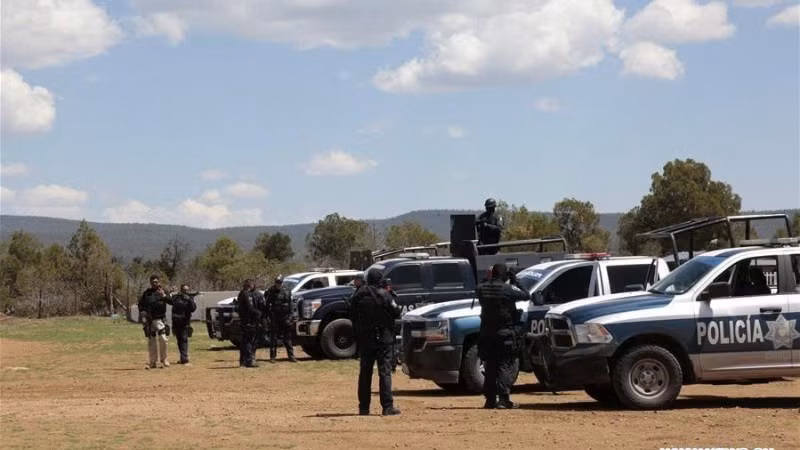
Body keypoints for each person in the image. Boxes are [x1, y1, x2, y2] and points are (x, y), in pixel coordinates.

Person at [476, 263, 530, 409]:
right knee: (504, 365)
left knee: (490, 367)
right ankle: (503, 399)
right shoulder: (507, 289)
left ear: (492, 273)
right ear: (505, 275)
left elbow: (478, 287)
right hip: (504, 333)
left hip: (486, 334)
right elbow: (526, 295)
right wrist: (516, 279)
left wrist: (486, 277)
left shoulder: (482, 288)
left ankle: (490, 400)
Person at [349, 268, 401, 416]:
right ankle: (387, 406)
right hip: (383, 338)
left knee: (365, 372)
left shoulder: (358, 295)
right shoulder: (384, 295)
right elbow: (396, 312)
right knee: (384, 372)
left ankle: (364, 407)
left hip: (365, 339)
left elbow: (352, 315)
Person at [138, 275, 172, 369]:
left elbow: (171, 301)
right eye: (152, 282)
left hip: (160, 319)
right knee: (152, 341)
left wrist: (164, 296)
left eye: (156, 282)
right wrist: (143, 313)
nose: (154, 283)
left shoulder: (163, 291)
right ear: (150, 282)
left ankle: (164, 359)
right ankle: (152, 362)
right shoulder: (146, 293)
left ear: (159, 282)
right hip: (150, 320)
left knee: (163, 338)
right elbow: (140, 305)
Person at [265, 275, 297, 363]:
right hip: (275, 317)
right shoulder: (271, 291)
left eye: (279, 282)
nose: (278, 284)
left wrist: (290, 318)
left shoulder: (287, 291)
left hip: (285, 317)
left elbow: (290, 306)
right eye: (277, 282)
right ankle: (272, 357)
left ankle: (291, 356)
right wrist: (268, 318)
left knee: (287, 338)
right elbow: (267, 306)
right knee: (273, 339)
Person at [170, 284, 199, 364]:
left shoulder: (189, 298)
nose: (186, 291)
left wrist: (189, 299)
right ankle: (182, 357)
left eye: (187, 290)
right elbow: (169, 300)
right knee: (179, 340)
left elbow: (193, 308)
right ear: (181, 290)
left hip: (185, 322)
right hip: (176, 322)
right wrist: (170, 292)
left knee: (184, 339)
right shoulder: (176, 297)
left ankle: (184, 357)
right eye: (184, 290)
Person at [236, 279, 261, 368]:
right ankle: (249, 361)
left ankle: (243, 361)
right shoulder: (245, 294)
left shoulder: (242, 294)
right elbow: (249, 308)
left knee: (245, 341)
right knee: (248, 342)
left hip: (245, 321)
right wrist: (258, 313)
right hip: (247, 321)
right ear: (249, 286)